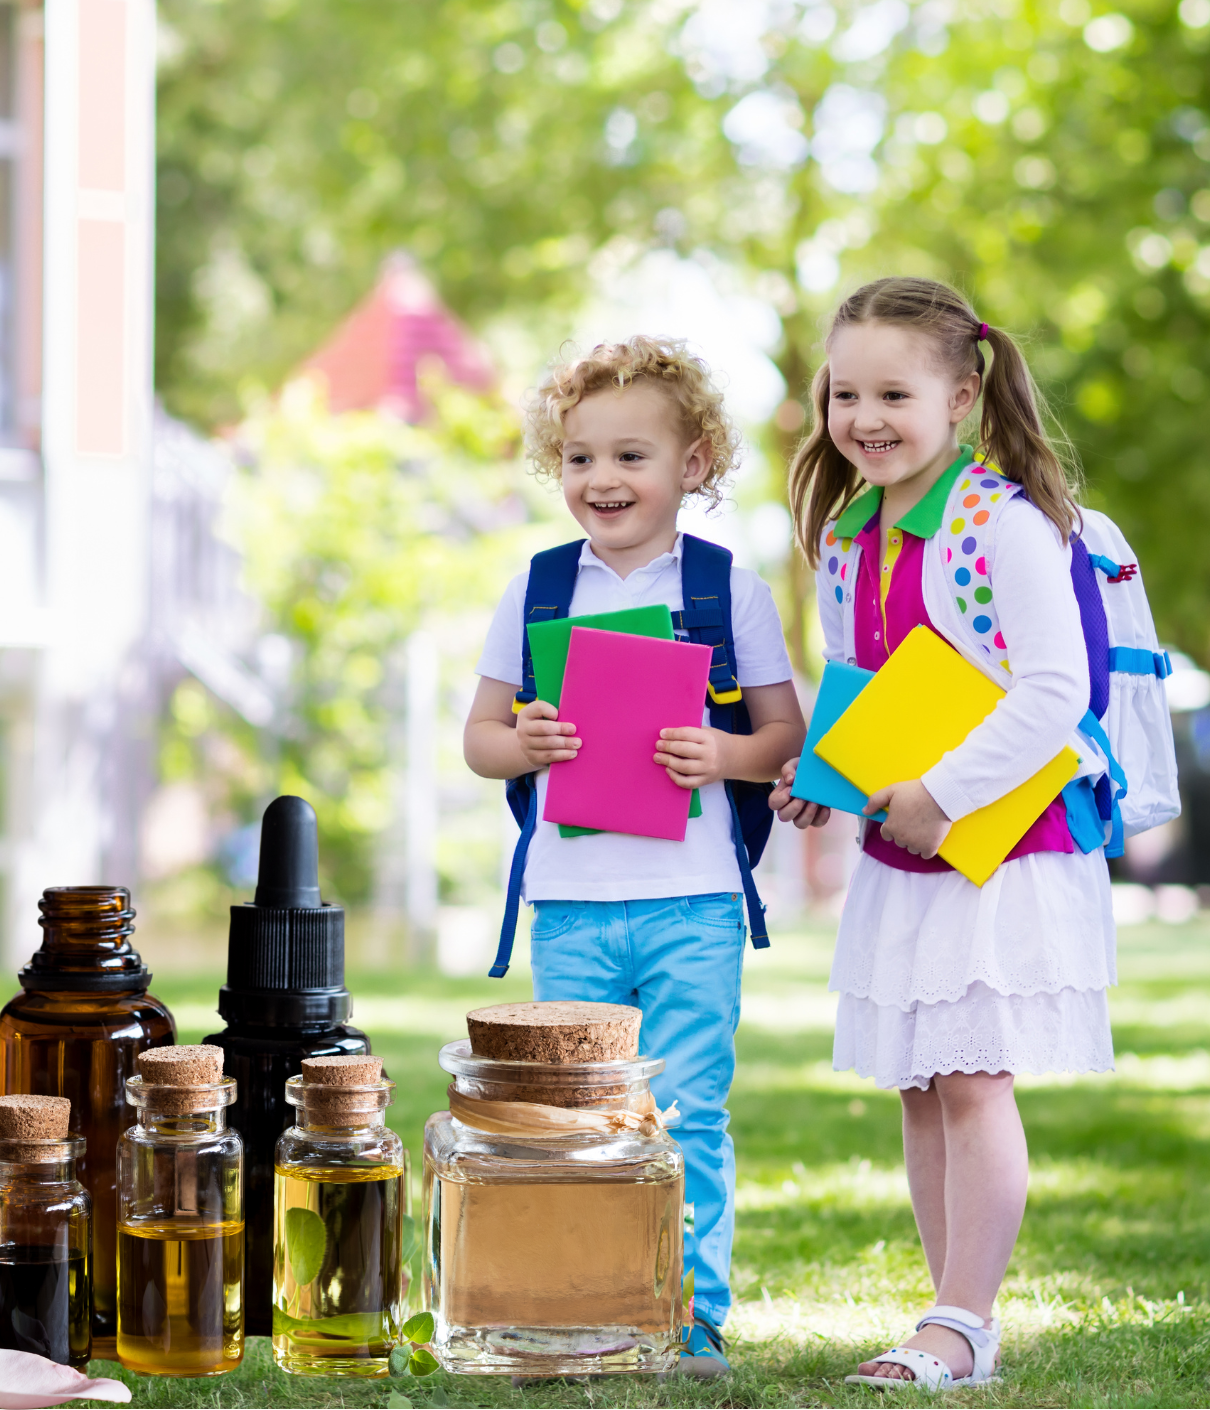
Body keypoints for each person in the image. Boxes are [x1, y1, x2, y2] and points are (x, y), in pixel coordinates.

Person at [770, 277, 1118, 1390]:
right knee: (922, 1081)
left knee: (971, 1078)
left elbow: (1053, 689)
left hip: (998, 847)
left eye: (893, 393)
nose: (863, 418)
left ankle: (960, 1318)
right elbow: (861, 681)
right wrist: (821, 773)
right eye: (844, 394)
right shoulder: (845, 535)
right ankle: (950, 1318)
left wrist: (944, 791)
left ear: (960, 396)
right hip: (902, 845)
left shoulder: (1001, 524)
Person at [463, 336, 805, 1378]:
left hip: (692, 902)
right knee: (576, 1121)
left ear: (693, 464)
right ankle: (594, 1310)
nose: (600, 481)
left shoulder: (725, 589)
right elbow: (478, 741)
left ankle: (690, 1313)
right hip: (569, 905)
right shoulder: (534, 593)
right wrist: (519, 742)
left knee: (687, 1109)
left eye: (629, 457)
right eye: (577, 459)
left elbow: (785, 735)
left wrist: (724, 752)